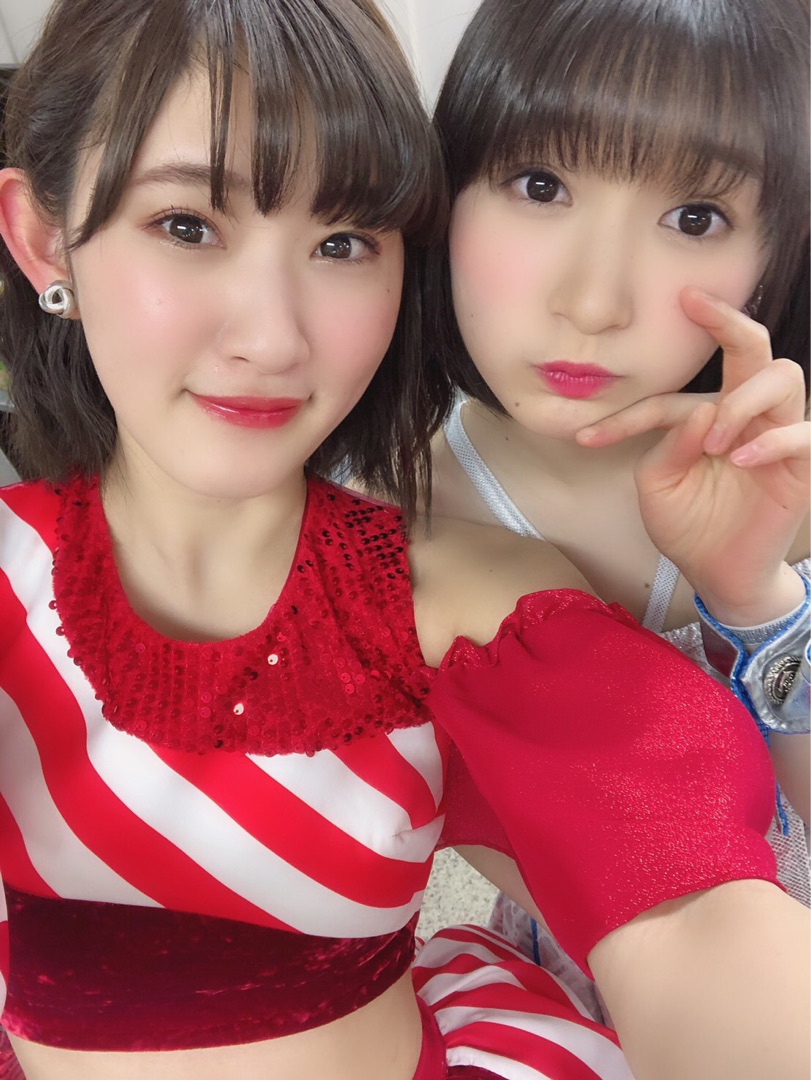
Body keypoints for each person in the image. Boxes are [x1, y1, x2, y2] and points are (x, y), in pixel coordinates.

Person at [0, 1, 808, 1079]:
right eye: (186, 226)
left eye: (341, 243)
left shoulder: (474, 599)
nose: (271, 338)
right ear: (43, 238)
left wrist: (757, 599)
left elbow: (688, 903)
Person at [424, 0, 810, 1019]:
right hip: (566, 1013)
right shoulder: (381, 512)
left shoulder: (791, 468)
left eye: (695, 218)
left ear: (776, 251)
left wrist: (756, 597)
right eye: (539, 184)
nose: (594, 302)